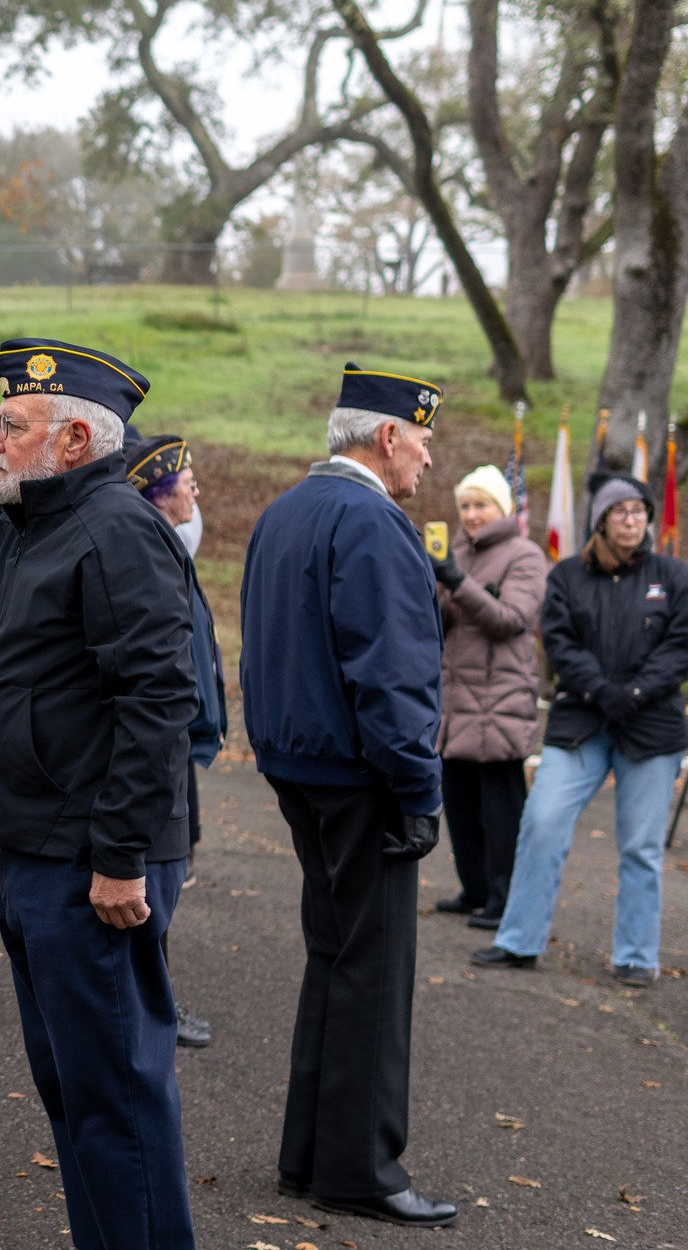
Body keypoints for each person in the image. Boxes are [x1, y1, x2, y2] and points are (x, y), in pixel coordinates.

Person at [0, 339, 198, 1250]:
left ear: (76, 440)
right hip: (38, 848)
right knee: (77, 1095)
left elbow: (159, 698)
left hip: (93, 864)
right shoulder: (43, 520)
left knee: (116, 1099)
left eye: (12, 426)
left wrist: (119, 856)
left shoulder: (115, 529)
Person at [240, 363, 456, 1227]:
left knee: (334, 956)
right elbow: (391, 672)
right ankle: (360, 1167)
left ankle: (309, 1155)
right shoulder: (373, 521)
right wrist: (418, 788)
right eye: (424, 441)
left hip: (300, 763)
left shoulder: (286, 510)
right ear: (388, 435)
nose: (428, 460)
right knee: (373, 970)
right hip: (362, 774)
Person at [474, 473, 688, 988]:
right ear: (600, 521)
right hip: (581, 722)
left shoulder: (673, 575)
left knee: (641, 846)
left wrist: (634, 692)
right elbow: (559, 643)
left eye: (639, 511)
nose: (632, 520)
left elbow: (680, 646)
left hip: (651, 726)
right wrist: (599, 689)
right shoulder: (568, 575)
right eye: (620, 512)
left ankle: (636, 955)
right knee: (542, 821)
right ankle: (519, 939)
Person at [124, 434, 223, 1050]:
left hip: (177, 741)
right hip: (161, 745)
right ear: (160, 491)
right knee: (152, 886)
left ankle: (153, 1006)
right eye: (188, 482)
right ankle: (149, 1014)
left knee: (169, 871)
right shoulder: (151, 553)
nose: (196, 491)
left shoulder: (168, 544)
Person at [426, 465, 547, 931]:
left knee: (501, 811)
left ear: (503, 508)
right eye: (465, 506)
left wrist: (456, 582)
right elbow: (438, 626)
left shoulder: (525, 555)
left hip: (500, 700)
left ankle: (505, 898)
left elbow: (510, 618)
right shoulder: (455, 553)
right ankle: (474, 889)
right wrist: (433, 585)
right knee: (459, 804)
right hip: (455, 701)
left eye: (481, 505)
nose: (472, 515)